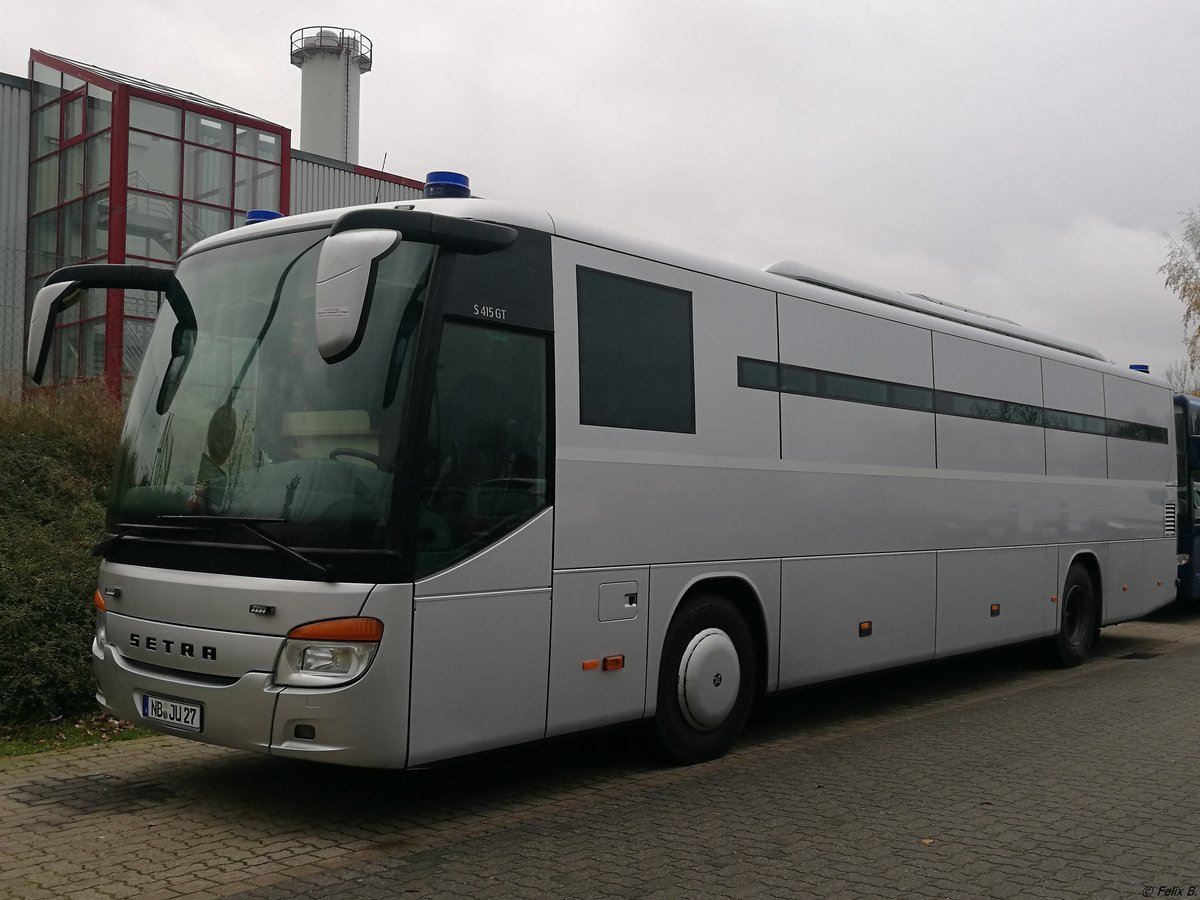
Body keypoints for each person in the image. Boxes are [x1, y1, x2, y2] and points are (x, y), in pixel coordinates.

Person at [188, 403, 237, 514]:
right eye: (220, 435)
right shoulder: (195, 470)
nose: (224, 442)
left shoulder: (240, 471)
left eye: (229, 435)